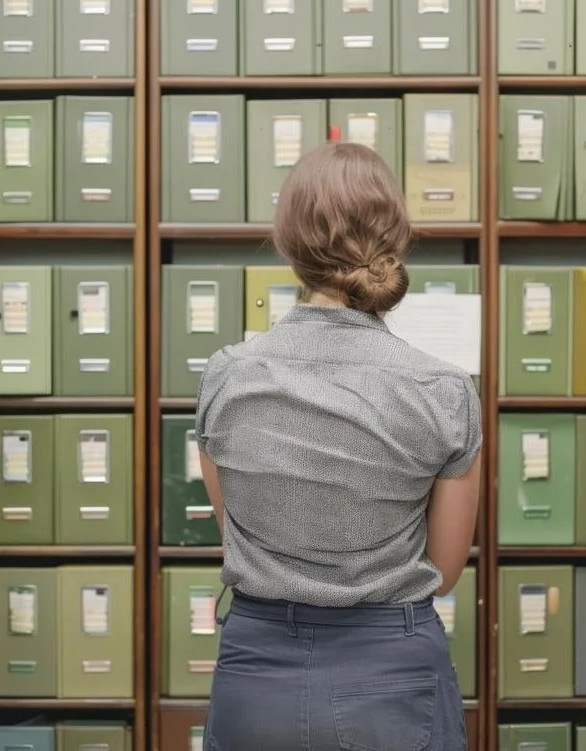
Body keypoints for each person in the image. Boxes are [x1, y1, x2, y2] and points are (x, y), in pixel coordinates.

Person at [194, 141, 483, 750]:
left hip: (257, 675)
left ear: (288, 244)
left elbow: (237, 526)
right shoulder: (443, 390)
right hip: (392, 678)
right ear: (395, 240)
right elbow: (446, 569)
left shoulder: (228, 375)